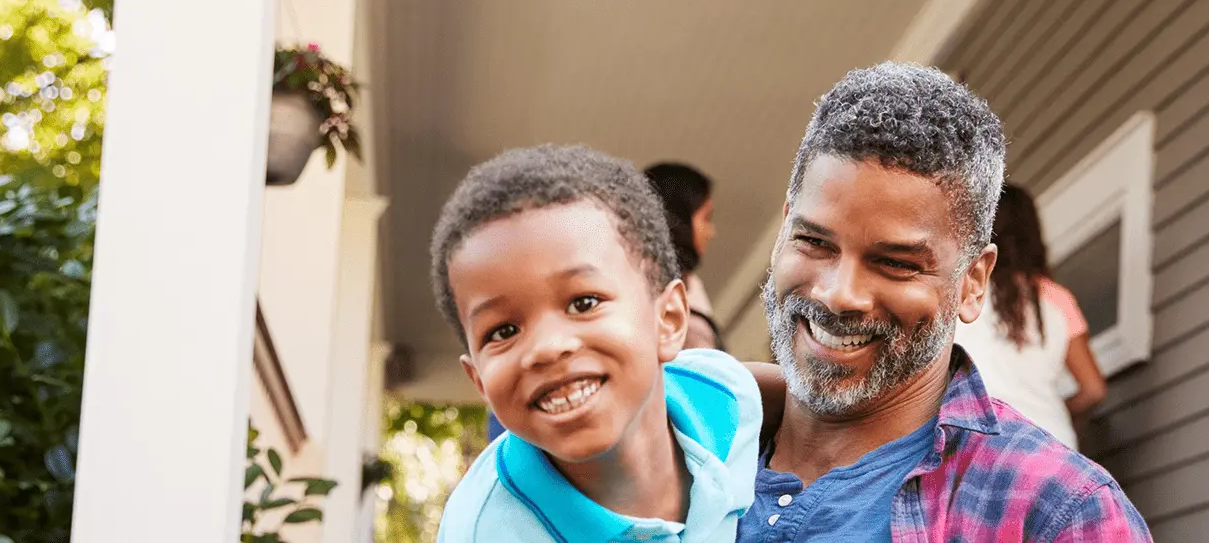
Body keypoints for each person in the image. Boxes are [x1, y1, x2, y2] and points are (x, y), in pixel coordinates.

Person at [741, 62, 1151, 542]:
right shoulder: (676, 445)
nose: (838, 294)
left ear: (973, 282)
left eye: (895, 263)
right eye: (813, 241)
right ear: (784, 229)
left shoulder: (1059, 514)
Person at [431, 145, 762, 542]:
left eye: (583, 303)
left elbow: (786, 400)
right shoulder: (485, 531)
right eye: (503, 331)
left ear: (669, 320)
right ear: (479, 381)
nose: (547, 348)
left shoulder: (722, 400)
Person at [952, 184, 1106, 449]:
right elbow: (1094, 390)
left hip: (976, 445)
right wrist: (1050, 411)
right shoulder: (1057, 298)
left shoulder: (962, 286)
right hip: (1052, 446)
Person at [644, 162, 724, 351]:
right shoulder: (648, 288)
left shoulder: (692, 284)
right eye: (706, 218)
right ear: (678, 218)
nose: (711, 232)